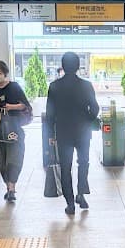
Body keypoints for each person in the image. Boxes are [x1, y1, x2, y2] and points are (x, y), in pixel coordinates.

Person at [46, 52, 100, 215]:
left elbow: (50, 113)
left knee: (65, 167)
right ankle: (81, 195)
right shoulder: (86, 85)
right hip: (83, 131)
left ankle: (70, 203)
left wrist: (50, 134)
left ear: (62, 66)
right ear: (78, 66)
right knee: (83, 162)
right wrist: (88, 119)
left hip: (63, 131)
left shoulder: (54, 86)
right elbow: (95, 108)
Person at [0, 60, 31, 201]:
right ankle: (8, 186)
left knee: (15, 156)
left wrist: (10, 106)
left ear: (5, 72)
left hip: (14, 126)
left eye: (0, 73)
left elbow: (25, 105)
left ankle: (12, 187)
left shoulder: (14, 87)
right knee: (1, 159)